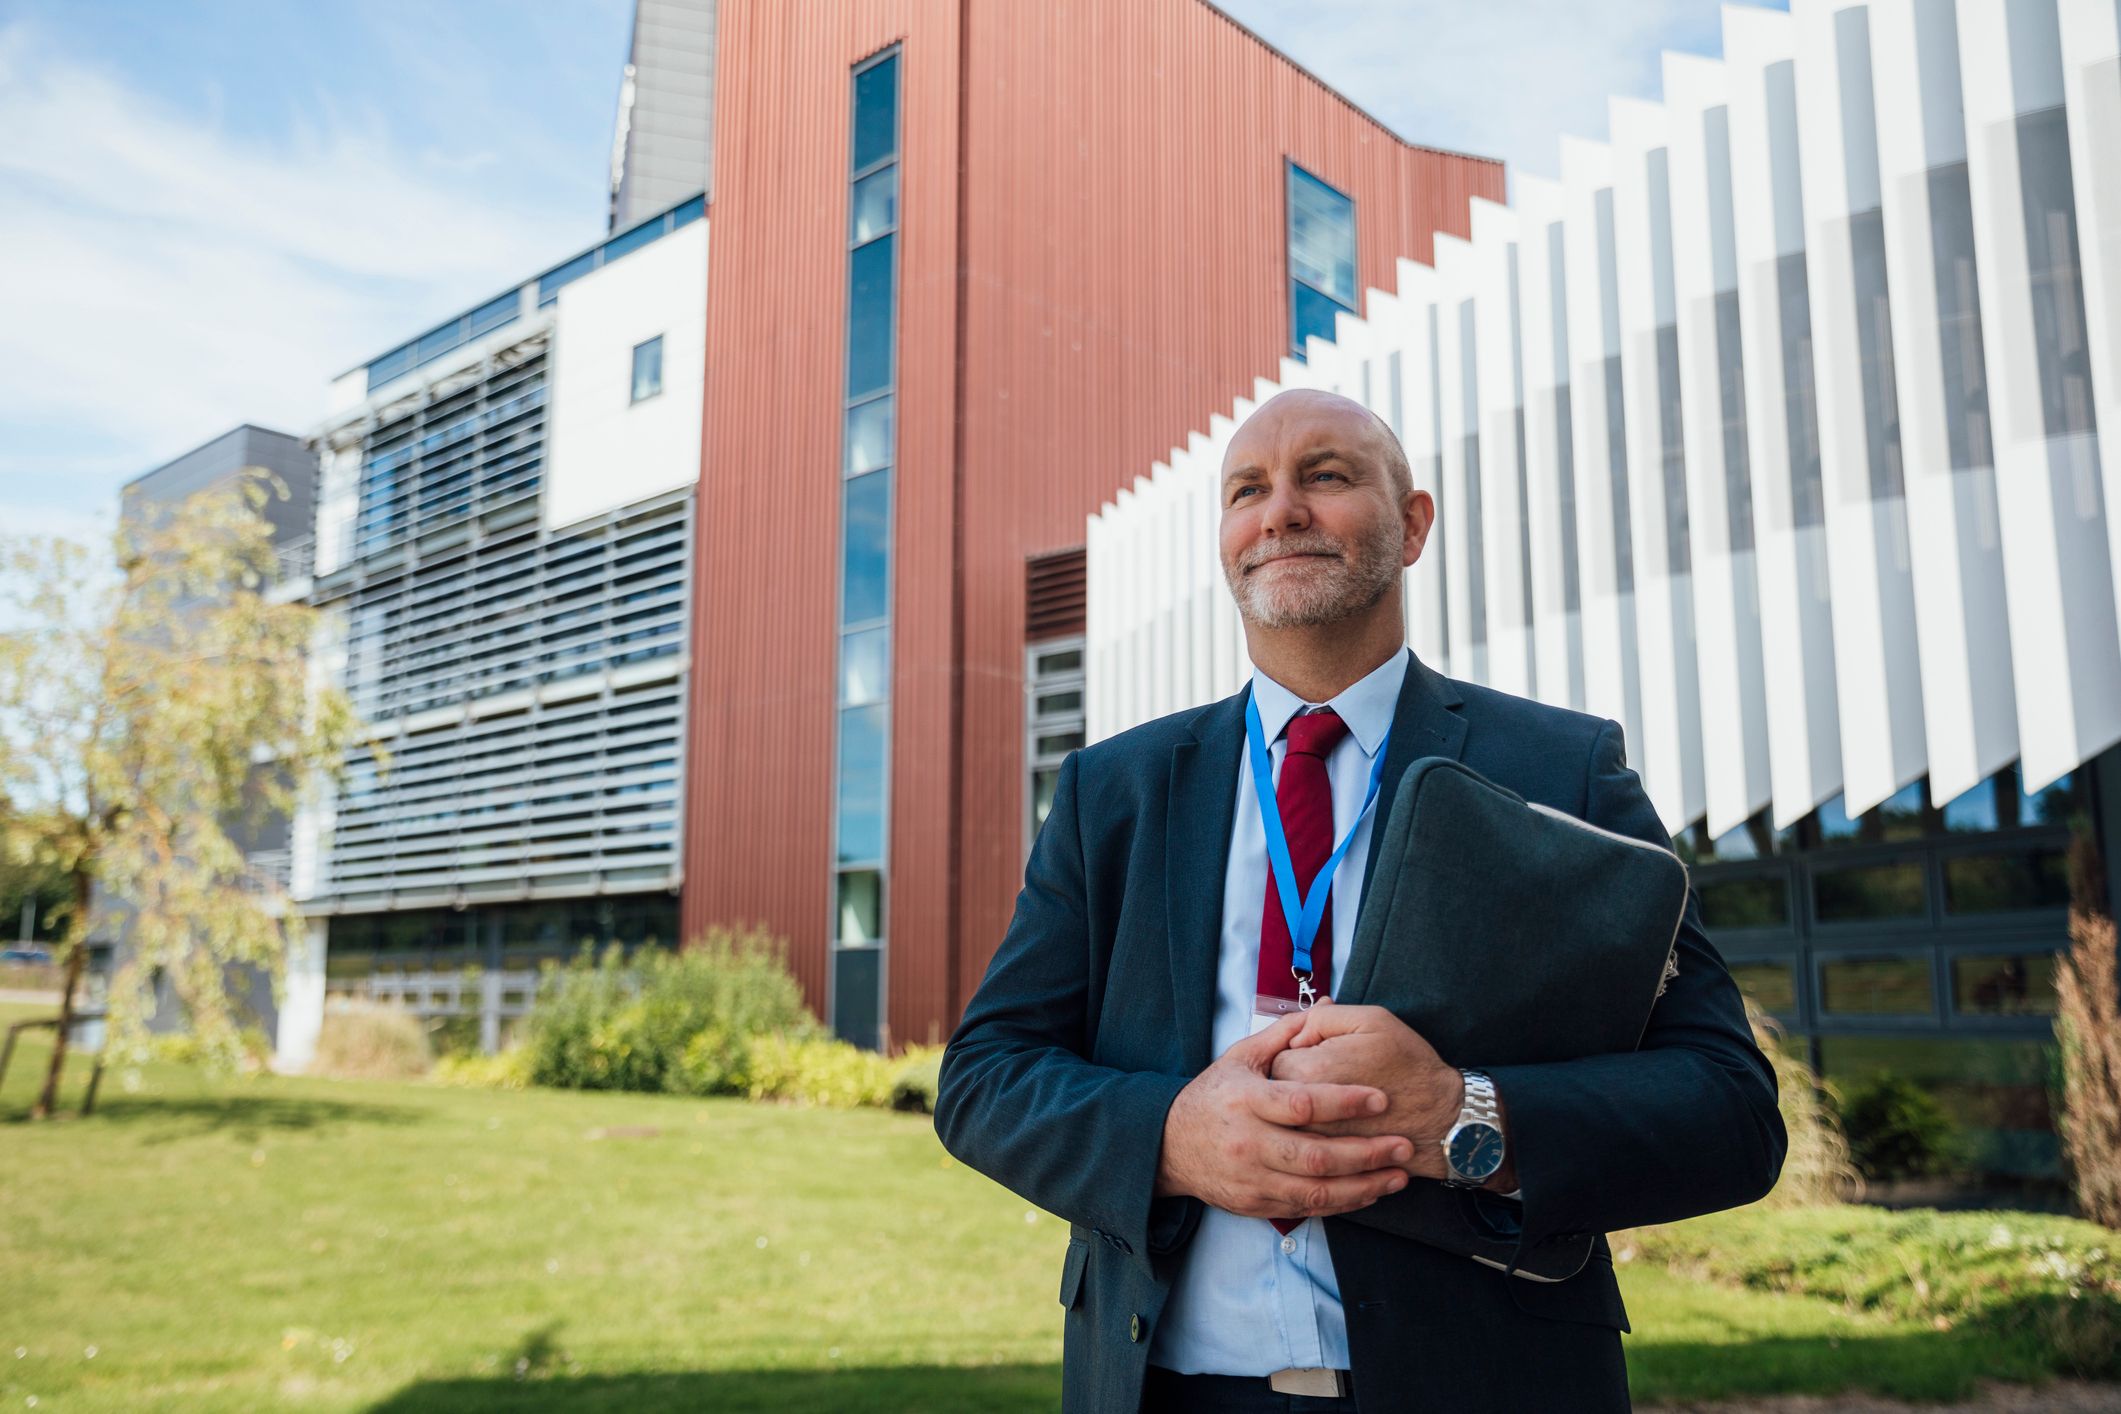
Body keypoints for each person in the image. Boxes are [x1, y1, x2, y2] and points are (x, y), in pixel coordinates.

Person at [935, 389, 1785, 1413]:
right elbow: (984, 1078)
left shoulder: (1564, 767)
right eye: (1246, 490)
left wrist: (1468, 1118)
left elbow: (1730, 1107)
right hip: (1168, 1387)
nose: (1280, 511)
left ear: (1412, 522)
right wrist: (1168, 1137)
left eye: (1325, 475)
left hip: (1484, 1383)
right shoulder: (1112, 792)